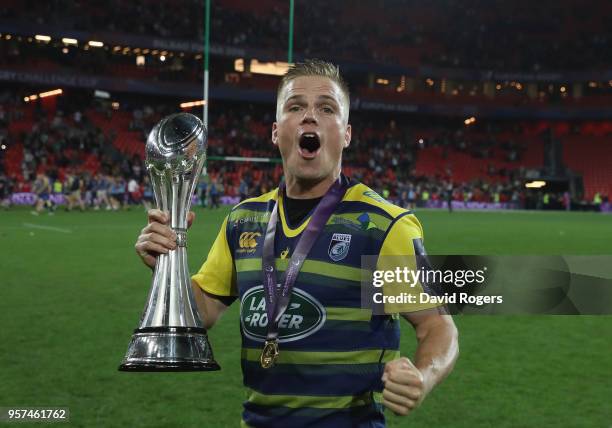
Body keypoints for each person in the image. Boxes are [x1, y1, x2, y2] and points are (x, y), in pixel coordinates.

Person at [135, 60, 458, 428]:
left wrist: (423, 375)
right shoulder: (245, 219)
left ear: (346, 133)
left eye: (326, 108)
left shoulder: (382, 226)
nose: (310, 117)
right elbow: (203, 310)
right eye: (295, 106)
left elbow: (438, 326)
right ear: (276, 131)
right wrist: (168, 266)